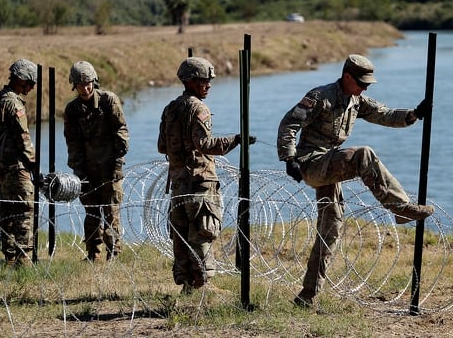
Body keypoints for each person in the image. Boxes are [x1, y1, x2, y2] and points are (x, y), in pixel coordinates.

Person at [277, 54, 435, 308]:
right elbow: (289, 123)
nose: (364, 88)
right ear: (347, 76)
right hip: (312, 164)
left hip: (330, 165)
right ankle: (400, 207)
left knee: (331, 229)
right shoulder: (321, 96)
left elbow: (384, 114)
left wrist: (414, 114)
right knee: (363, 154)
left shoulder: (357, 100)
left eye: (368, 85)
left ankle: (307, 296)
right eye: (361, 83)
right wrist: (289, 157)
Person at [158, 57, 255, 293]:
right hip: (201, 182)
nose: (209, 85)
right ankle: (201, 286)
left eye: (209, 81)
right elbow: (205, 144)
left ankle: (187, 287)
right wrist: (236, 140)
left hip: (179, 183)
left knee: (181, 238)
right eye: (204, 81)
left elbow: (162, 146)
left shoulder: (170, 108)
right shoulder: (199, 108)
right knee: (202, 233)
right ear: (190, 81)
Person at [64, 61, 129, 262]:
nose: (86, 88)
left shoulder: (109, 101)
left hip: (109, 167)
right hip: (87, 169)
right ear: (74, 85)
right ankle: (93, 253)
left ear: (94, 81)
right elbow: (72, 142)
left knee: (111, 213)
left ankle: (114, 254)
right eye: (81, 84)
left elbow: (121, 132)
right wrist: (78, 171)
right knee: (91, 213)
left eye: (88, 83)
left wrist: (118, 163)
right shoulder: (72, 109)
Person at [0, 59, 37, 267]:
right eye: (30, 83)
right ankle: (24, 259)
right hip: (16, 166)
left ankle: (10, 258)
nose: (32, 88)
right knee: (24, 210)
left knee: (6, 211)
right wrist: (33, 164)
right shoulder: (14, 104)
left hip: (0, 166)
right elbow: (24, 139)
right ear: (21, 80)